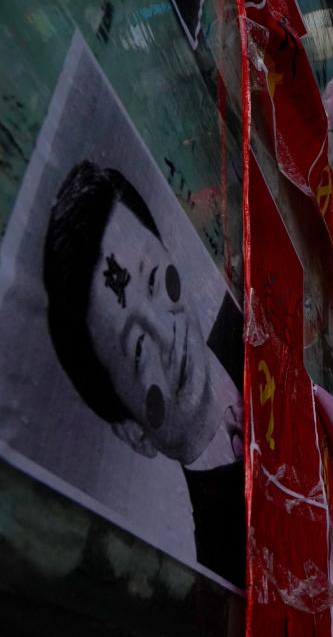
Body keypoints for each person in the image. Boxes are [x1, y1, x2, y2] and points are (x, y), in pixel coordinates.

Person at [43, 160, 245, 586]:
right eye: (138, 349)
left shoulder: (251, 308)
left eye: (156, 281)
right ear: (134, 432)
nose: (167, 335)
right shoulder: (224, 561)